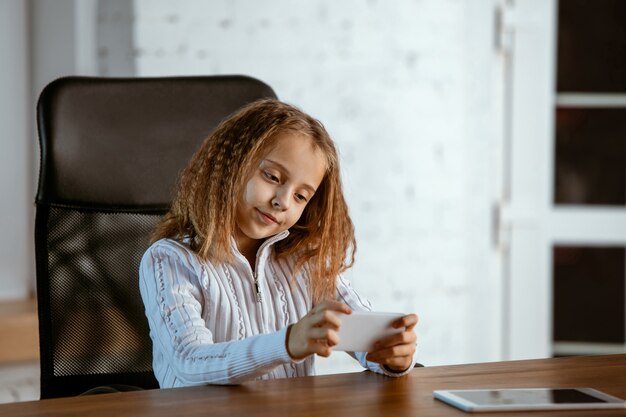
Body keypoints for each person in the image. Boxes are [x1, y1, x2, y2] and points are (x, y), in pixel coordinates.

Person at [139, 98, 418, 387]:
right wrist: (287, 343)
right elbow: (190, 360)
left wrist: (391, 355)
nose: (281, 201)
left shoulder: (304, 261)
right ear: (230, 165)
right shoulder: (169, 260)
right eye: (272, 176)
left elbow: (361, 332)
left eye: (300, 196)